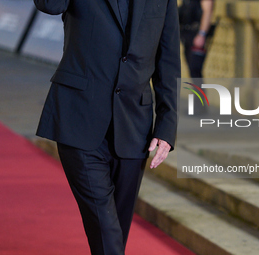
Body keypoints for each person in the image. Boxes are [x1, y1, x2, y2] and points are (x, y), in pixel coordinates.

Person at [33, 0, 180, 254]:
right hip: (78, 119)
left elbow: (168, 59)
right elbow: (49, 4)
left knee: (114, 235)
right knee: (107, 231)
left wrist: (167, 125)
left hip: (135, 126)